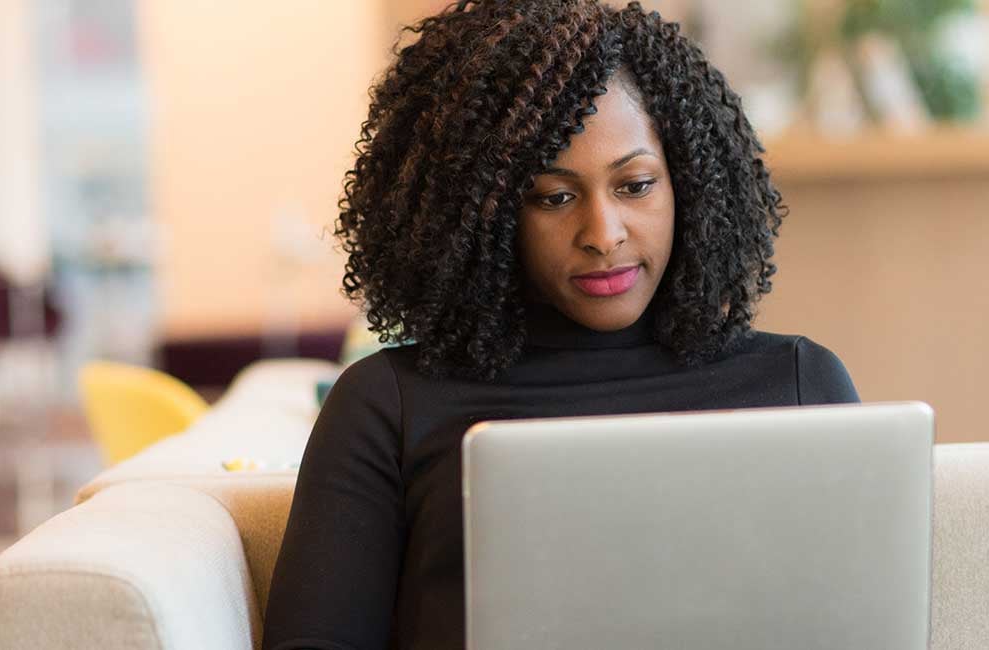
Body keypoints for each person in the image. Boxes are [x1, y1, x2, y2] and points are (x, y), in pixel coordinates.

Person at [263, 2, 859, 649]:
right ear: (482, 213)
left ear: (689, 183)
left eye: (635, 185)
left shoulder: (800, 385)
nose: (603, 234)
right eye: (555, 197)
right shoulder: (388, 407)